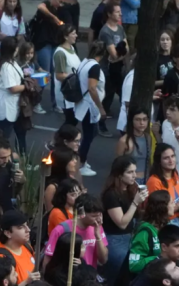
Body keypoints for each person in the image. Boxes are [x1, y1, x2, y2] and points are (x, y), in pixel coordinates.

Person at [101, 156, 147, 286]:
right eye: (130, 172)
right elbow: (121, 222)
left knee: (130, 280)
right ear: (119, 175)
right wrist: (136, 202)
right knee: (112, 283)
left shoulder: (130, 190)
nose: (134, 175)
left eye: (135, 171)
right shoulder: (111, 195)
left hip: (129, 239)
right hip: (114, 240)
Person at [44, 194, 109, 271]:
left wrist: (98, 236)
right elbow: (48, 259)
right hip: (66, 277)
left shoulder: (97, 227)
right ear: (82, 213)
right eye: (94, 216)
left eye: (100, 215)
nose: (98, 219)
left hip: (88, 277)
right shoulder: (62, 229)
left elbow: (103, 259)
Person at [73, 41, 107, 173]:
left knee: (90, 133)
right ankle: (81, 163)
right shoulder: (95, 67)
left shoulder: (85, 61)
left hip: (83, 103)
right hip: (89, 106)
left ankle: (80, 158)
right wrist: (101, 108)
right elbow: (92, 88)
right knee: (89, 134)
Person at [146, 143, 179, 224]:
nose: (171, 161)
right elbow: (157, 213)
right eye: (166, 158)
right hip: (166, 223)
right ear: (159, 161)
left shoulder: (175, 174)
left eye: (173, 156)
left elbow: (178, 198)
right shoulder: (154, 181)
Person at [98, 3, 126, 138]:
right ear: (109, 14)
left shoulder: (120, 28)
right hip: (107, 70)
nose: (120, 14)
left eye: (120, 12)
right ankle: (100, 124)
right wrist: (120, 53)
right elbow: (113, 54)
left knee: (124, 96)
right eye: (117, 12)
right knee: (107, 97)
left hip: (119, 69)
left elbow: (126, 49)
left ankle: (126, 126)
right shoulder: (105, 32)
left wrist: (121, 53)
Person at [0, 37, 27, 152]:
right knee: (5, 136)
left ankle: (23, 158)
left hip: (15, 103)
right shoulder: (6, 66)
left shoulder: (11, 62)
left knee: (20, 133)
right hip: (7, 104)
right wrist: (27, 86)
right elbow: (12, 88)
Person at [0, 138, 26, 214]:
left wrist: (22, 181)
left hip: (8, 210)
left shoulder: (9, 166)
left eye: (8, 156)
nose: (6, 160)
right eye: (2, 158)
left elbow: (15, 189)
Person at [54, 25, 81, 123]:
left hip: (73, 91)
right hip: (66, 93)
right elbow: (59, 75)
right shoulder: (60, 53)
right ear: (65, 37)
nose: (76, 35)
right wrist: (76, 77)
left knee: (73, 121)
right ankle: (61, 138)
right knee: (71, 121)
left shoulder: (72, 48)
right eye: (73, 34)